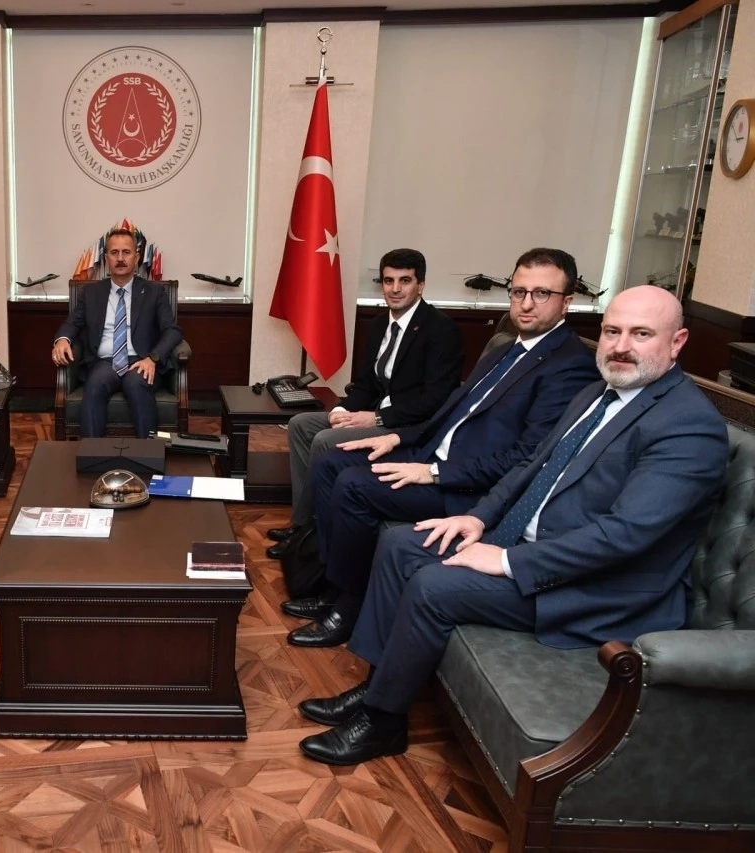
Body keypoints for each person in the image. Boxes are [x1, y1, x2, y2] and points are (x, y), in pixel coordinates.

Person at [297, 285, 729, 766]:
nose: (621, 346)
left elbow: (624, 536)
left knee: (433, 586)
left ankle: (381, 724)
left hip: (597, 586)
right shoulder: (597, 393)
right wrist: (476, 517)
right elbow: (531, 467)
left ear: (677, 342)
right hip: (527, 542)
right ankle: (377, 687)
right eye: (612, 332)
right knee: (402, 543)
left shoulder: (688, 426)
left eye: (641, 334)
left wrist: (506, 560)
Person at [285, 248, 600, 648]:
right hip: (432, 454)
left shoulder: (569, 365)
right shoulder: (506, 348)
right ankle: (331, 584)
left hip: (466, 486)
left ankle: (349, 606)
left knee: (353, 486)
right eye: (519, 291)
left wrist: (433, 472)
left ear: (566, 302)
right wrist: (397, 437)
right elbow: (450, 413)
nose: (525, 303)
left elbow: (527, 458)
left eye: (541, 294)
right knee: (333, 462)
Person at [267, 248, 463, 559]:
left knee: (325, 440)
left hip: (407, 425)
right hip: (376, 413)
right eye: (388, 281)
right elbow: (365, 384)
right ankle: (308, 520)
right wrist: (341, 411)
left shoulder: (440, 329)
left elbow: (436, 400)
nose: (395, 289)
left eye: (404, 281)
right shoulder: (379, 323)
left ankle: (307, 529)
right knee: (301, 424)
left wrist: (377, 419)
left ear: (421, 285)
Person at [51, 228, 183, 438]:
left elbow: (172, 331)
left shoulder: (154, 292)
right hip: (104, 361)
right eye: (114, 253)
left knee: (135, 383)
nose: (120, 258)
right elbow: (72, 323)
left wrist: (153, 358)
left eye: (126, 252)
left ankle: (149, 451)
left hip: (141, 360)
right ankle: (92, 452)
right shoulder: (91, 293)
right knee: (95, 384)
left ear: (136, 258)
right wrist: (62, 340)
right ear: (106, 258)